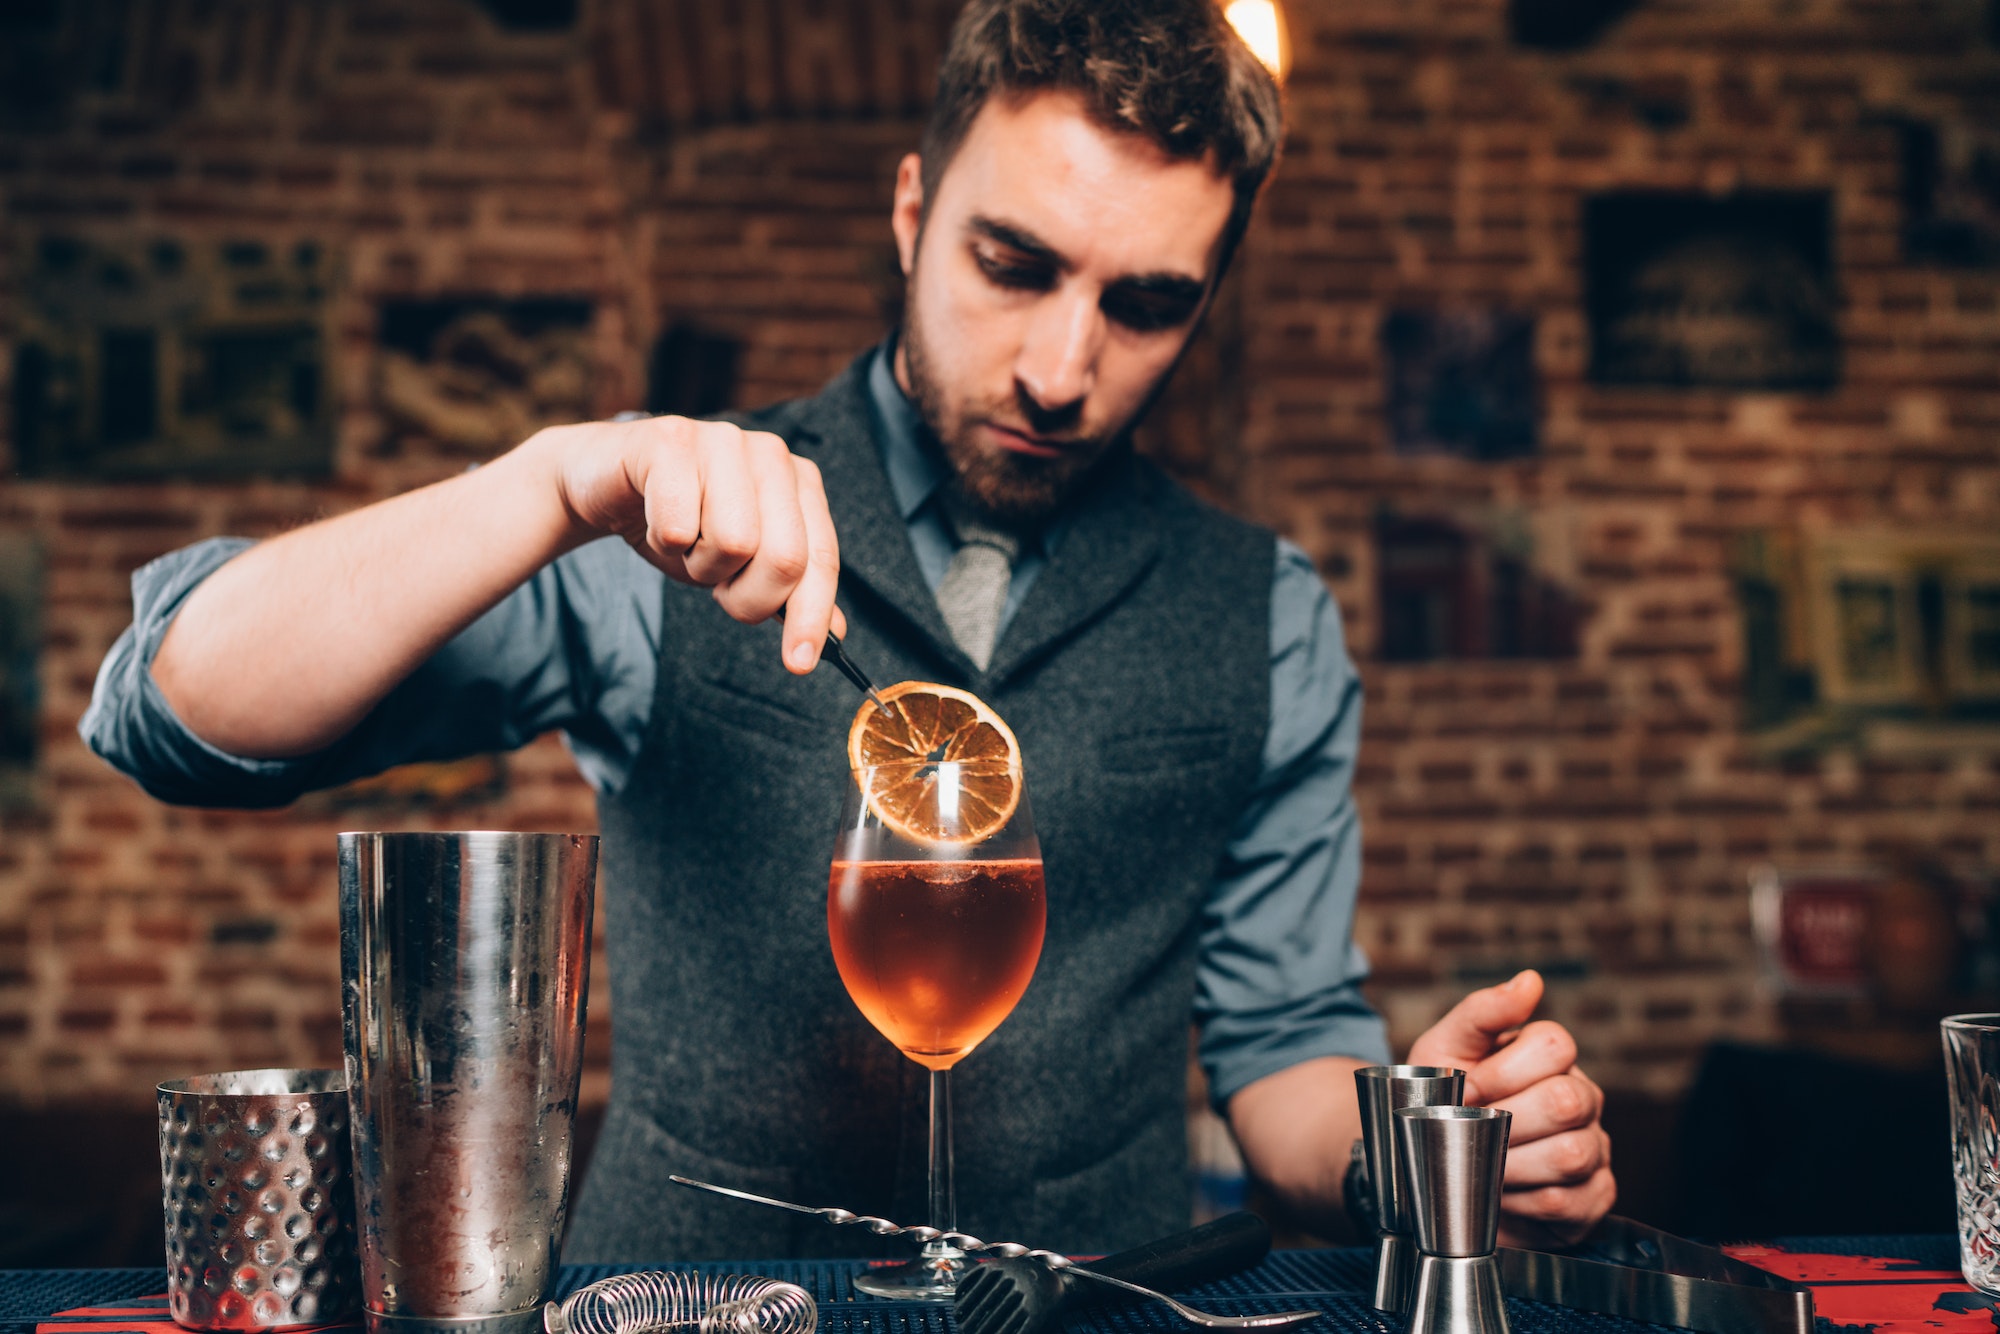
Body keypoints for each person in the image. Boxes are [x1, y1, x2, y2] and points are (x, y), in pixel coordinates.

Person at [83, 0, 1613, 1261]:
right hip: (683, 1307)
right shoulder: (656, 529)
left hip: (1090, 1310)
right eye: (1011, 266)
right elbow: (176, 705)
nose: (1064, 369)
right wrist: (556, 480)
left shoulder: (1268, 613)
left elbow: (1283, 1056)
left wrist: (1422, 1145)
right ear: (910, 212)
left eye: (1146, 305)